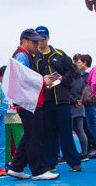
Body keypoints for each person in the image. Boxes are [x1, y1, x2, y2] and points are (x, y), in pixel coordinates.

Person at [7, 29, 59, 181]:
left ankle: (16, 167)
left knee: (30, 135)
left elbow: (24, 77)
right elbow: (22, 78)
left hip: (28, 101)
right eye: (33, 40)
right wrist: (43, 81)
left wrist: (42, 79)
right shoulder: (22, 55)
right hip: (28, 102)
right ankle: (37, 170)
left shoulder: (25, 55)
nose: (37, 43)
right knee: (35, 136)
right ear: (23, 41)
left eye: (38, 40)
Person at [33, 26, 82, 172]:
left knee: (66, 131)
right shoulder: (33, 57)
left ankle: (73, 161)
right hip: (44, 100)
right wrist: (41, 80)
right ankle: (50, 162)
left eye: (43, 38)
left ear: (48, 38)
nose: (41, 41)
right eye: (38, 39)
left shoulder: (59, 54)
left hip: (61, 100)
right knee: (48, 132)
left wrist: (62, 78)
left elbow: (72, 71)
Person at [76, 55, 96, 158]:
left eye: (79, 62)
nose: (77, 65)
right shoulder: (85, 74)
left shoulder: (89, 74)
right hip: (88, 103)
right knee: (90, 126)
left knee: (93, 126)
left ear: (85, 62)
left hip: (90, 102)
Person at [0, 66, 24, 167]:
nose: (3, 77)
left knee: (19, 140)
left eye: (5, 75)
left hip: (16, 117)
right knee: (6, 141)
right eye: (1, 75)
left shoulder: (16, 86)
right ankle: (6, 161)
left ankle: (21, 160)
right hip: (4, 117)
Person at [70, 65, 89, 161]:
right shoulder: (80, 79)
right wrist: (79, 101)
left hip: (70, 107)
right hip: (80, 107)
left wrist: (74, 101)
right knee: (80, 131)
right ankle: (84, 153)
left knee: (68, 132)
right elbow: (83, 92)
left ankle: (70, 154)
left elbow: (66, 94)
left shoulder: (69, 79)